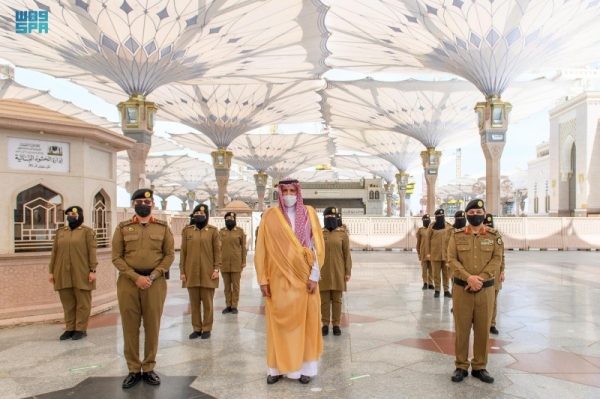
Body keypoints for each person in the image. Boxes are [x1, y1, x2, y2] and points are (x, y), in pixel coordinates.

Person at [254, 177, 325, 385]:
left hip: (304, 278)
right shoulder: (270, 216)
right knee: (278, 324)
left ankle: (306, 369)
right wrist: (262, 279)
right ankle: (275, 369)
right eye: (284, 191)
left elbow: (317, 246)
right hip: (277, 279)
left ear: (298, 192)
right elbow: (262, 249)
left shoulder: (309, 213)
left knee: (306, 324)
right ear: (279, 193)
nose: (288, 195)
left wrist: (314, 276)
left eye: (292, 191)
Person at [112, 189, 174, 389]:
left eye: (146, 201)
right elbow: (116, 257)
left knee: (152, 326)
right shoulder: (123, 228)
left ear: (152, 204)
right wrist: (136, 277)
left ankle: (148, 367)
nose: (143, 204)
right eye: (139, 201)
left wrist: (153, 276)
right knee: (129, 327)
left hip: (155, 283)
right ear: (133, 204)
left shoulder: (163, 228)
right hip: (128, 283)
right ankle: (132, 368)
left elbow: (169, 255)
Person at [447, 199, 503, 384]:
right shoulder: (456, 236)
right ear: (467, 214)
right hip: (462, 289)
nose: (476, 216)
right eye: (472, 213)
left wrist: (481, 278)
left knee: (482, 330)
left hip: (485, 290)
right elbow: (452, 260)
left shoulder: (494, 236)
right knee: (462, 329)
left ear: (485, 214)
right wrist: (468, 277)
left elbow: (497, 259)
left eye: (479, 213)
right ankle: (461, 365)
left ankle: (480, 366)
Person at [48, 206, 97, 341]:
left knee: (83, 302)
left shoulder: (87, 232)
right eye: (68, 214)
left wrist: (93, 270)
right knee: (67, 302)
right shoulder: (61, 232)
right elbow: (54, 253)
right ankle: (69, 328)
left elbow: (92, 252)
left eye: (74, 214)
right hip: (62, 271)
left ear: (80, 215)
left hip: (82, 271)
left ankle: (80, 329)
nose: (71, 216)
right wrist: (51, 271)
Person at [180, 204, 221, 339]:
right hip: (191, 272)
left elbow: (217, 251)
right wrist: (182, 271)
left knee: (208, 303)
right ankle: (196, 328)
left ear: (207, 215)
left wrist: (216, 269)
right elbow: (183, 252)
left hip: (208, 272)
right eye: (196, 213)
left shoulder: (213, 231)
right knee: (194, 303)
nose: (199, 215)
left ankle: (207, 328)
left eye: (201, 213)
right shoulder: (188, 231)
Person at [320, 206, 352, 337]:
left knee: (337, 300)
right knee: (324, 300)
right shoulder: (320, 234)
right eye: (328, 218)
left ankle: (337, 324)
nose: (330, 220)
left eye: (333, 217)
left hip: (338, 271)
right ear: (324, 218)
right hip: (323, 272)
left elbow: (347, 255)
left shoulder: (342, 235)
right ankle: (325, 324)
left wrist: (347, 271)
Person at [220, 211, 247, 315]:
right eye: (227, 219)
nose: (229, 220)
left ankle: (234, 305)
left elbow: (243, 248)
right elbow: (218, 248)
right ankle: (228, 305)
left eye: (231, 219)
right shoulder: (221, 232)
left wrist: (243, 261)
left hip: (236, 262)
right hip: (224, 262)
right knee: (226, 286)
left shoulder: (239, 232)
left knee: (235, 285)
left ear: (234, 219)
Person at [483, 214, 505, 335]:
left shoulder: (497, 237)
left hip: (494, 274)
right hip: (481, 274)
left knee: (493, 301)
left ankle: (492, 324)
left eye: (490, 225)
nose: (488, 227)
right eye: (486, 224)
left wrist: (502, 271)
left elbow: (501, 256)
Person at [424, 209, 453, 298]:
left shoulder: (448, 226)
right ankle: (437, 290)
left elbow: (452, 241)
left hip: (446, 254)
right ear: (436, 217)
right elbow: (427, 240)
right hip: (435, 254)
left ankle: (446, 290)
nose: (440, 217)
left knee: (446, 273)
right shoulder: (432, 227)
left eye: (442, 215)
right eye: (438, 216)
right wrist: (428, 253)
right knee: (436, 273)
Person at [416, 214, 434, 290]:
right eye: (425, 220)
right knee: (424, 269)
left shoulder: (433, 229)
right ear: (423, 221)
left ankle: (430, 283)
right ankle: (425, 283)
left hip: (432, 252)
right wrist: (418, 252)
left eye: (427, 219)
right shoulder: (420, 230)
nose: (426, 221)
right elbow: (418, 242)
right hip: (423, 252)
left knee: (431, 269)